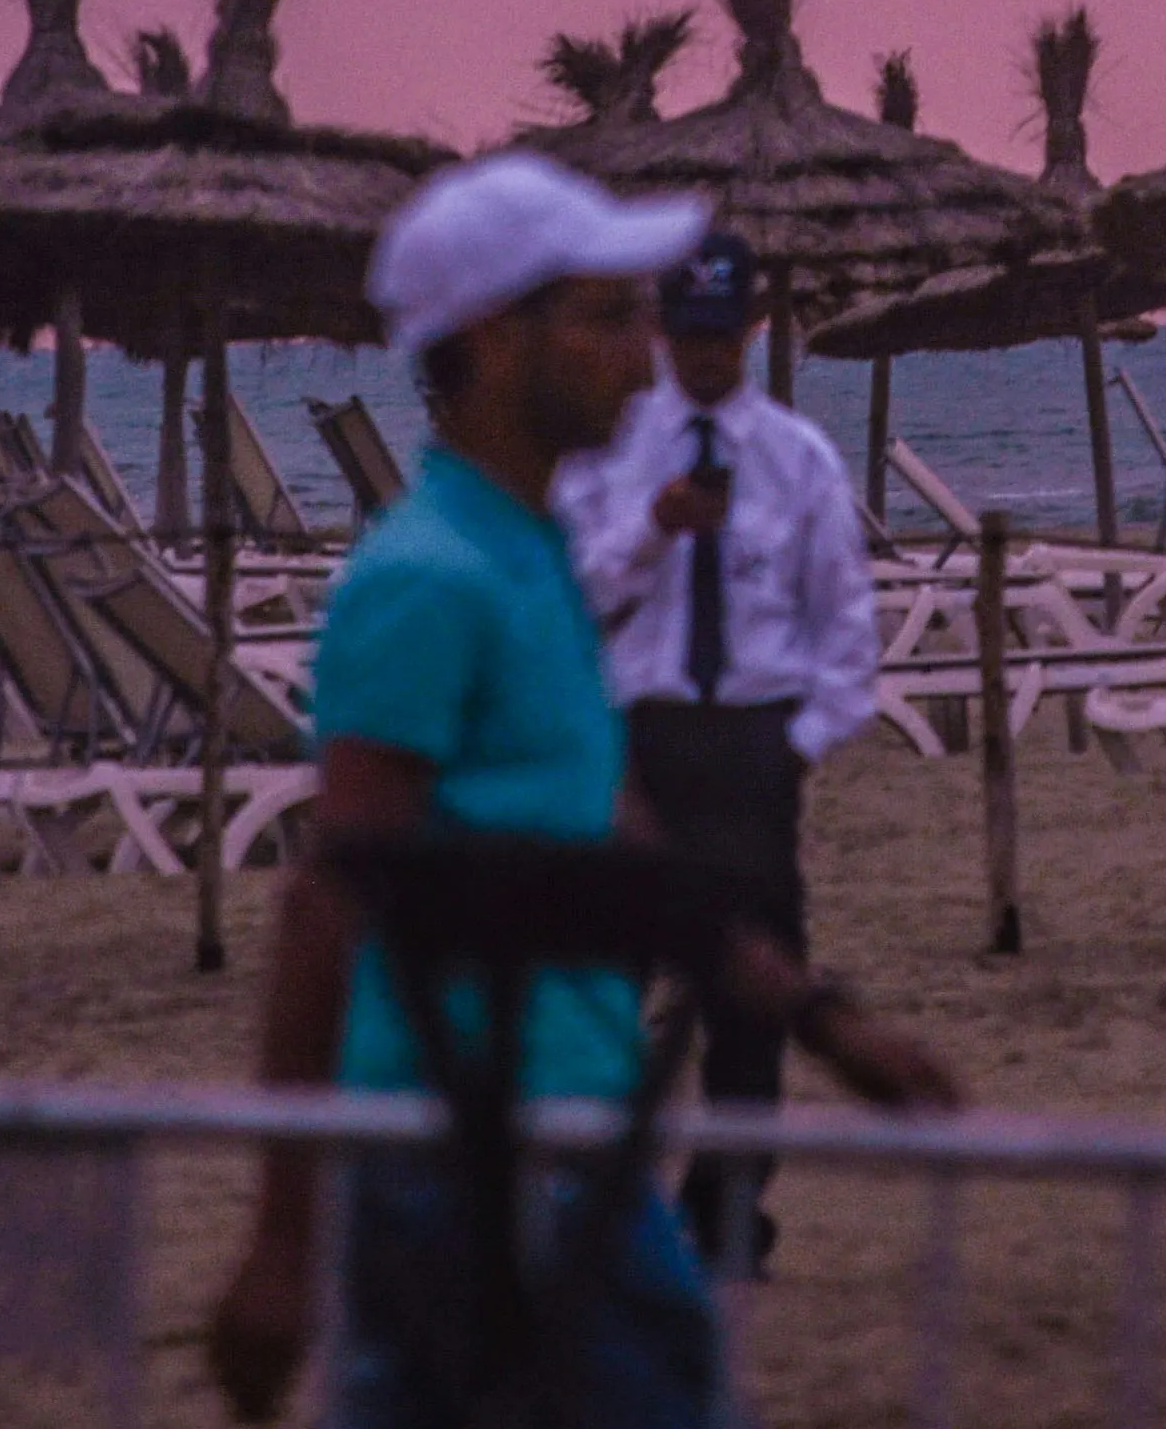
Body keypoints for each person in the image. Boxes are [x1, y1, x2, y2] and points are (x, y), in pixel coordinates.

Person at [208, 155, 951, 1429]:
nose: (646, 350)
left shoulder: (529, 552)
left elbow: (614, 838)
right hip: (462, 1151)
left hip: (565, 1139)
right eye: (609, 317)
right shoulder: (429, 577)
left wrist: (822, 1018)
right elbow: (331, 896)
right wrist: (281, 1240)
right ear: (497, 338)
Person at [554, 231, 880, 1273]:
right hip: (640, 739)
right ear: (659, 329)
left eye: (718, 334)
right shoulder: (611, 453)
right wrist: (653, 530)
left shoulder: (797, 457)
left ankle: (730, 1213)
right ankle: (601, 1205)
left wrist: (799, 743)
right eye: (683, 334)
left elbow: (845, 627)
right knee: (609, 988)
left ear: (749, 326)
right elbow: (572, 598)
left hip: (750, 743)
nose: (700, 356)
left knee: (752, 1000)